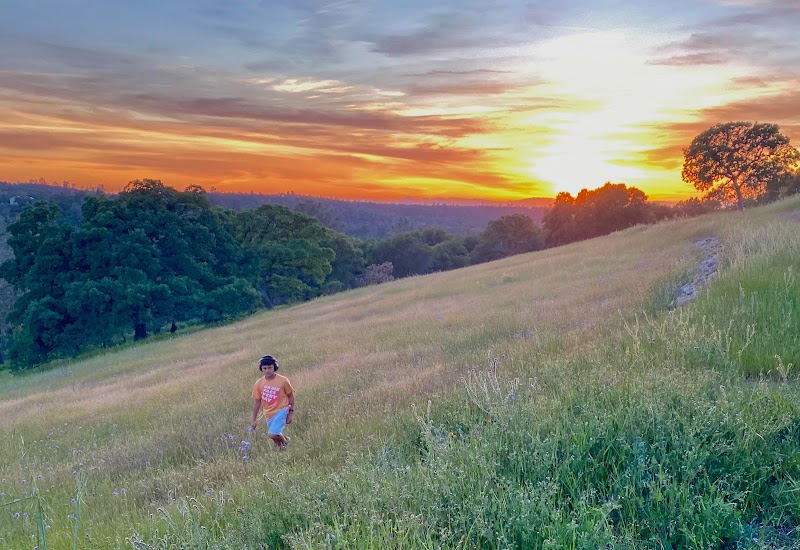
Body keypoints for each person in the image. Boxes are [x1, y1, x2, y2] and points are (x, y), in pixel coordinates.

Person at [250, 355, 295, 450]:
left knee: (273, 434)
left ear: (274, 367)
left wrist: (291, 413)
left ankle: (286, 442)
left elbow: (291, 396)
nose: (267, 370)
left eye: (270, 367)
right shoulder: (258, 384)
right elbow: (257, 402)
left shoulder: (283, 380)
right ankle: (283, 451)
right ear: (261, 369)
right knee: (276, 439)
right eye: (264, 368)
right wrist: (254, 419)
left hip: (282, 409)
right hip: (268, 413)